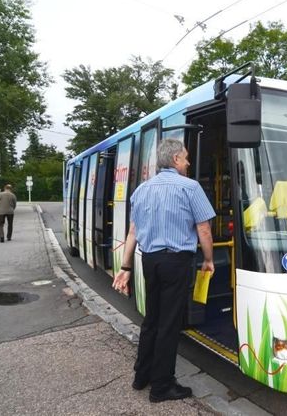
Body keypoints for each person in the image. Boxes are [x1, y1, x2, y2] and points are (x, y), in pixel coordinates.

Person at [112, 138, 215, 403]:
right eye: (186, 158)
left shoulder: (142, 190)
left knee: (152, 319)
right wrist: (208, 259)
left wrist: (125, 266)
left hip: (150, 261)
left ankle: (141, 376)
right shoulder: (190, 187)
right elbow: (203, 229)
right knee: (169, 324)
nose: (189, 162)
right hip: (175, 262)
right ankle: (162, 387)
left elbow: (133, 232)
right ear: (176, 160)